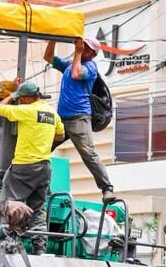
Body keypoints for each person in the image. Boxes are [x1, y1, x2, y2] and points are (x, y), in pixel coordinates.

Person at [0, 80, 64, 254]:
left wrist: (11, 96)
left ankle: (8, 244)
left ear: (26, 99)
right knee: (38, 210)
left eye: (21, 98)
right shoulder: (52, 113)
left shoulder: (27, 111)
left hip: (24, 166)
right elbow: (60, 135)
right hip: (45, 167)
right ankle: (40, 248)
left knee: (8, 203)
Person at [46, 36, 116, 203]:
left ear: (92, 53)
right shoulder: (69, 64)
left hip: (79, 118)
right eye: (81, 46)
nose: (82, 48)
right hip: (61, 120)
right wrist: (53, 39)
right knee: (42, 149)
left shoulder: (90, 67)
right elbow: (48, 57)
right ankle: (43, 186)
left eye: (86, 48)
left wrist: (77, 53)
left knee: (87, 153)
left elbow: (76, 74)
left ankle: (107, 188)